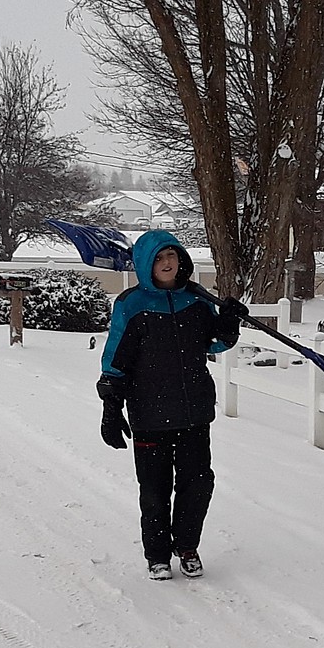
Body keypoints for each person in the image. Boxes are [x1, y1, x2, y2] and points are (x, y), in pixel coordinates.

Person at [96, 229, 249, 579]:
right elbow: (116, 359)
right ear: (147, 263)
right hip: (149, 414)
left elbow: (212, 345)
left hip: (193, 411)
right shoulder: (131, 304)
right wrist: (110, 407)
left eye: (172, 256)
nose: (167, 263)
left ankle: (187, 546)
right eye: (160, 258)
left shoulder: (196, 301)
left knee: (198, 484)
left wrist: (228, 322)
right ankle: (157, 555)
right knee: (154, 489)